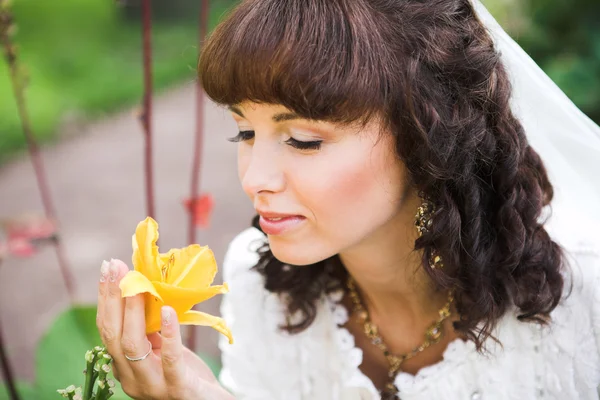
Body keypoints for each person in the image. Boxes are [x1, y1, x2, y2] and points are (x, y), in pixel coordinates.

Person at [95, 0, 600, 399]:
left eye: (303, 140)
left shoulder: (585, 299)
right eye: (245, 133)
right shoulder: (257, 282)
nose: (255, 180)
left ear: (428, 136)